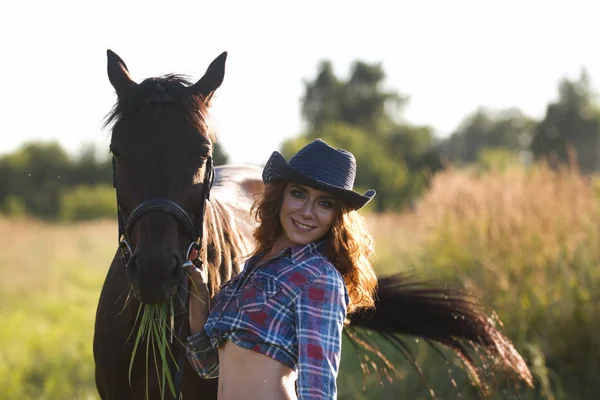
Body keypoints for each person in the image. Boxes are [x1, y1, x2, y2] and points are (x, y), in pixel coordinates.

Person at [186, 138, 378, 400]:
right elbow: (208, 367)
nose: (307, 212)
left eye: (325, 203)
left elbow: (318, 386)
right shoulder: (252, 268)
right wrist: (198, 296)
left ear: (337, 215)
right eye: (298, 194)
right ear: (281, 195)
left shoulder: (319, 278)